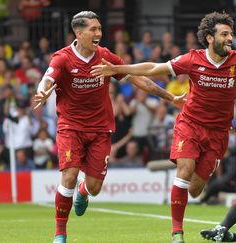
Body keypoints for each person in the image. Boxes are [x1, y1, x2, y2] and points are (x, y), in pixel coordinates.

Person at [90, 11, 236, 243]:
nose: (229, 38)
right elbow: (155, 68)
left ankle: (188, 187)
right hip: (190, 124)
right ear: (210, 37)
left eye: (230, 34)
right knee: (184, 171)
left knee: (195, 189)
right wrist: (119, 69)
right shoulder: (192, 59)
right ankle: (177, 233)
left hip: (218, 133)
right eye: (224, 34)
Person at [33, 11, 185, 243]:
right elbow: (47, 80)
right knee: (69, 176)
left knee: (94, 187)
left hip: (100, 129)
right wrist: (41, 92)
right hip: (70, 127)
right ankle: (60, 234)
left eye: (100, 29)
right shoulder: (62, 58)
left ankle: (84, 192)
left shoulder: (105, 57)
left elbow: (138, 78)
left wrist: (170, 98)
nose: (99, 34)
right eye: (93, 29)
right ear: (79, 33)